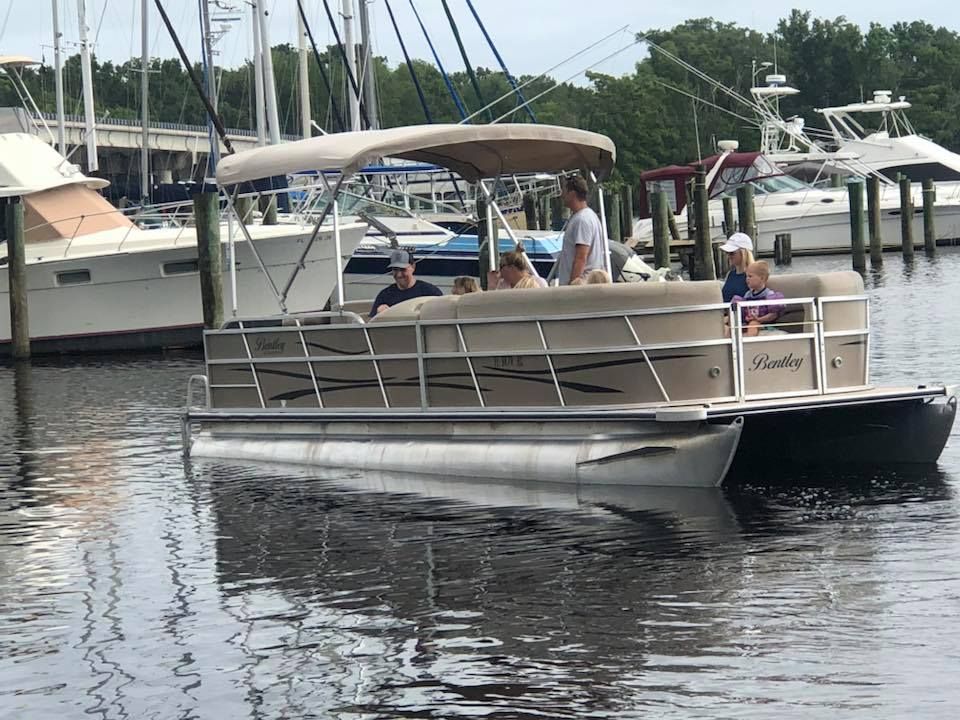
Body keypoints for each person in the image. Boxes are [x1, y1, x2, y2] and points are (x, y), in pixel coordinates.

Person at [555, 175, 607, 285]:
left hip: (581, 285)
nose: (561, 195)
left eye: (564, 191)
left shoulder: (582, 220)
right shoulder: (590, 216)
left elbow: (581, 257)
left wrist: (573, 286)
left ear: (572, 194)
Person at [370, 249, 442, 317]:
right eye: (395, 269)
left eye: (403, 269)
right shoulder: (384, 295)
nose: (399, 274)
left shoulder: (430, 292)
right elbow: (369, 323)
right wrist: (378, 314)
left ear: (413, 267)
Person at [731, 261, 785, 336]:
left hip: (765, 323)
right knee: (731, 324)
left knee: (753, 324)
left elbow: (773, 315)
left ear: (762, 278)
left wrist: (759, 319)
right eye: (746, 276)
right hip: (748, 322)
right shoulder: (747, 295)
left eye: (750, 276)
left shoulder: (769, 294)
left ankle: (750, 344)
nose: (747, 279)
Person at [719, 232, 754, 302]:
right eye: (727, 253)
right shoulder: (730, 274)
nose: (728, 256)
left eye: (731, 253)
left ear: (743, 253)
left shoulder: (752, 275)